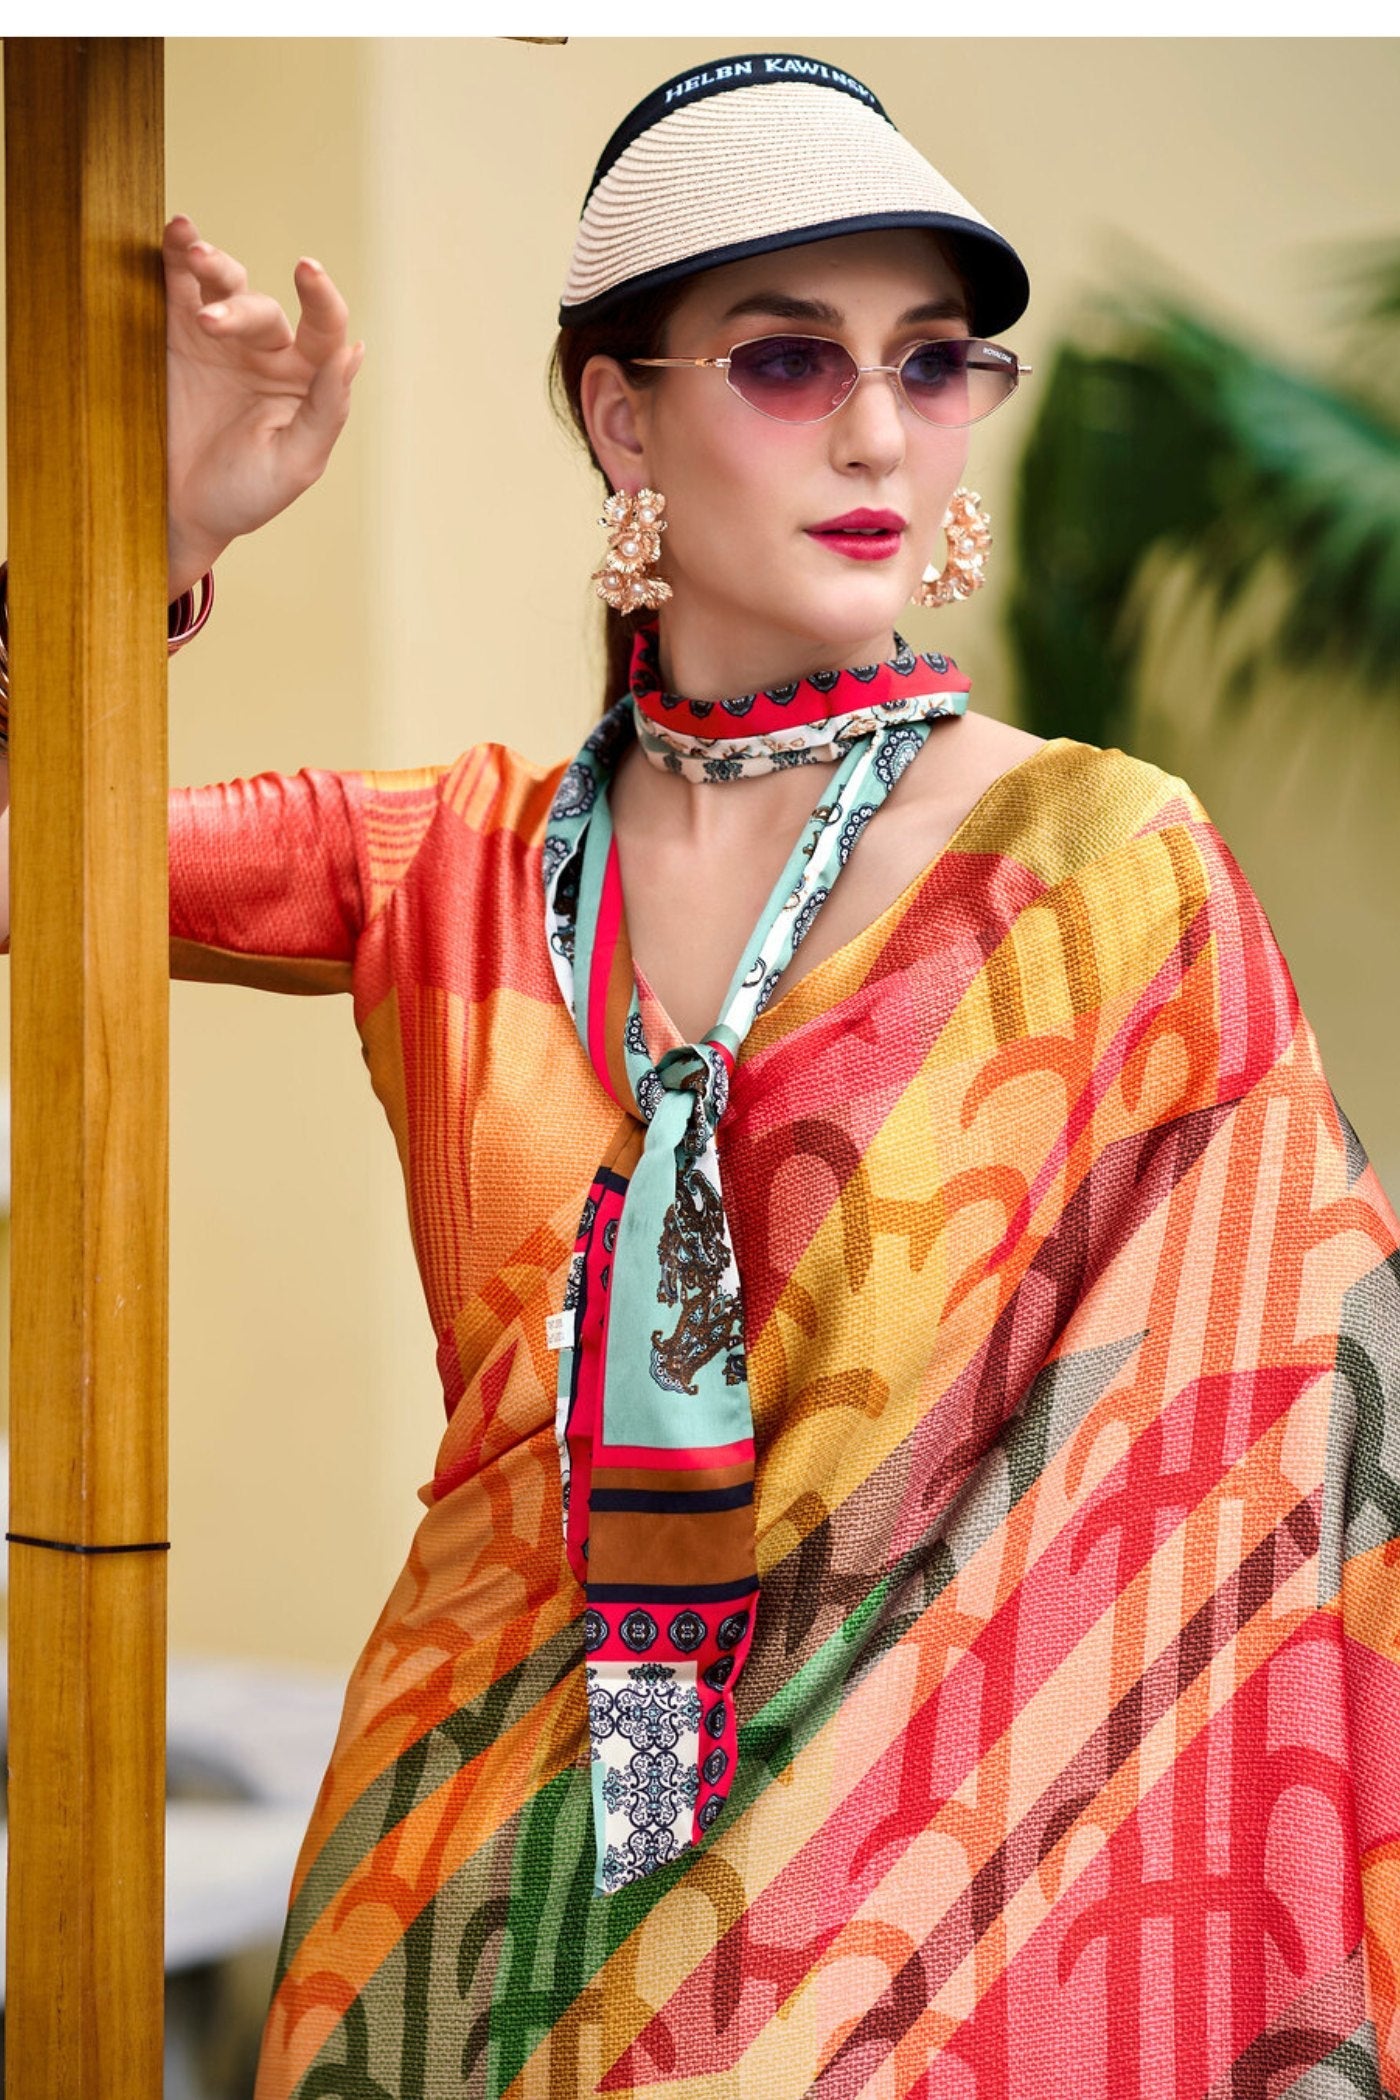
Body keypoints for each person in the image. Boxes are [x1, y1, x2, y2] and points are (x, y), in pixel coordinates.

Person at [3, 50, 1399, 2100]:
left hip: (915, 1979)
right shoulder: (451, 863)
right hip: (451, 1941)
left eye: (932, 364)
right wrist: (144, 540)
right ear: (614, 408)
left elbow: (1277, 1469)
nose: (873, 430)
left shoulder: (1110, 877)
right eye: (781, 359)